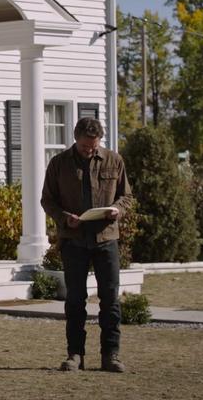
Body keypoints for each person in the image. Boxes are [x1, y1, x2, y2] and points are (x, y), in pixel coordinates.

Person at [41, 117, 133, 373]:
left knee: (110, 300)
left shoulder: (115, 161)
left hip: (106, 240)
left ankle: (111, 355)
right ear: (75, 139)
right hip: (74, 241)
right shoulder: (58, 164)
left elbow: (126, 196)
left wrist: (117, 209)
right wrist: (63, 218)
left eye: (93, 147)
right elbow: (47, 200)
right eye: (84, 147)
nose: (89, 150)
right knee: (75, 300)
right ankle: (75, 355)